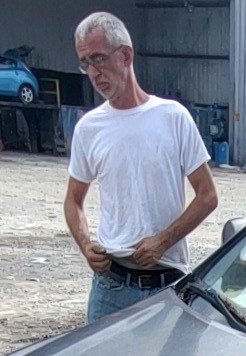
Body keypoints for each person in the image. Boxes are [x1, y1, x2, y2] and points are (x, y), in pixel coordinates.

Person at [63, 12, 219, 322]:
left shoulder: (173, 118)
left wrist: (163, 241)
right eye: (85, 64)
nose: (93, 72)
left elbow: (207, 196)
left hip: (167, 285)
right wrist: (85, 245)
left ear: (125, 55)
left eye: (99, 59)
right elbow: (73, 201)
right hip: (111, 287)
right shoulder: (89, 128)